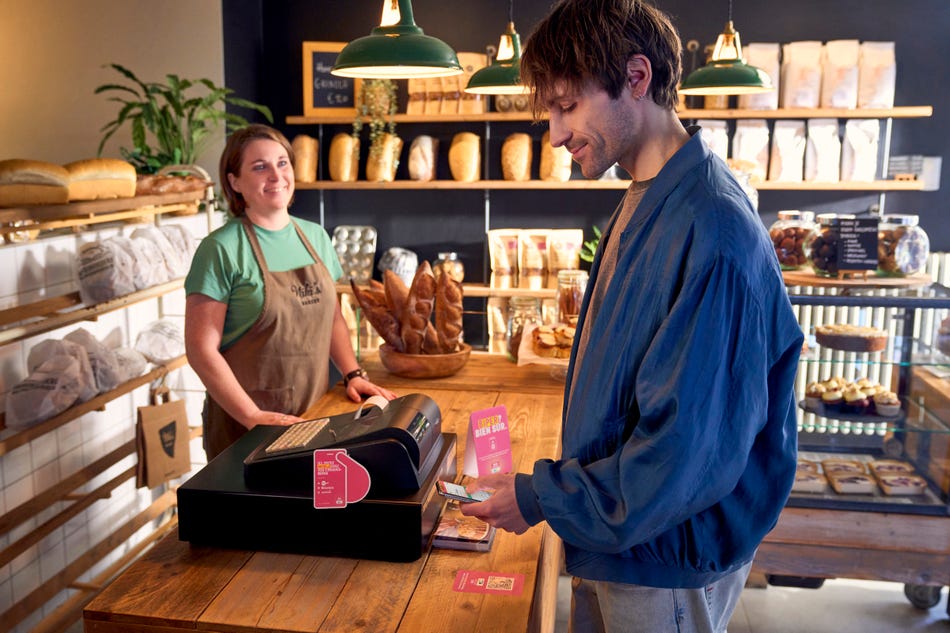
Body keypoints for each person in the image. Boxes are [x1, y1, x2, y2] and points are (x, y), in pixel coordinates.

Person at [459, 1, 803, 631]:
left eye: (567, 106)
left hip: (663, 556)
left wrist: (540, 496)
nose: (555, 135)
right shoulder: (646, 195)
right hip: (621, 538)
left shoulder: (713, 228)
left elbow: (684, 453)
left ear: (637, 77)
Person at [185, 124, 396, 460]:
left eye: (282, 163)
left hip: (314, 416)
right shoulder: (220, 249)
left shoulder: (316, 237)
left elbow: (331, 318)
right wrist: (251, 415)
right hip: (246, 428)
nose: (276, 175)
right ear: (234, 182)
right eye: (260, 167)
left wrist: (353, 374)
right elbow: (200, 349)